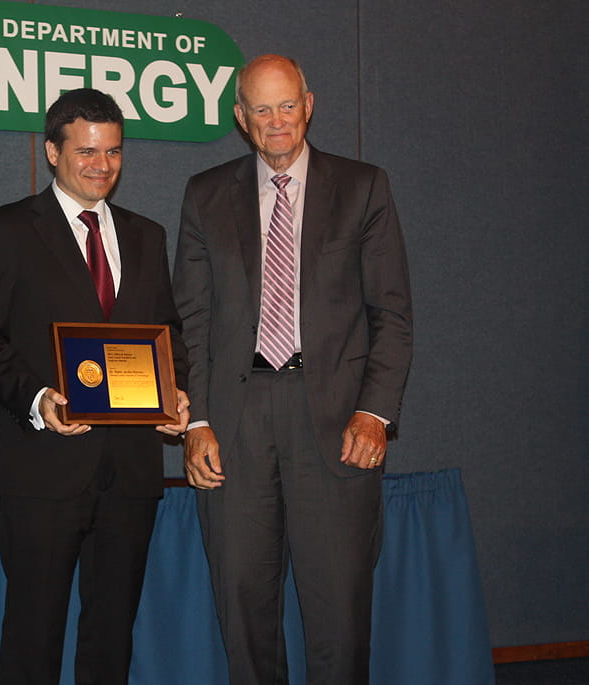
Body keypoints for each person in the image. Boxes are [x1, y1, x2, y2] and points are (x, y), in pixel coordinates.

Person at [172, 54, 413, 684]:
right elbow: (191, 321)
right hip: (235, 426)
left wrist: (375, 412)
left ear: (309, 105)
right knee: (243, 610)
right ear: (240, 118)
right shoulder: (205, 194)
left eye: (287, 105)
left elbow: (391, 313)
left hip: (336, 423)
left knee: (339, 615)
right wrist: (196, 420)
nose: (276, 120)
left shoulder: (363, 187)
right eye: (261, 108)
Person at [0, 87, 190, 685]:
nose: (102, 165)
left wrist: (175, 391)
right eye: (86, 151)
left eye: (113, 151)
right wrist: (36, 398)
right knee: (33, 637)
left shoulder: (147, 235)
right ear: (52, 152)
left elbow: (167, 332)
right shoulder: (7, 229)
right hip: (44, 468)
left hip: (130, 472)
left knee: (111, 637)